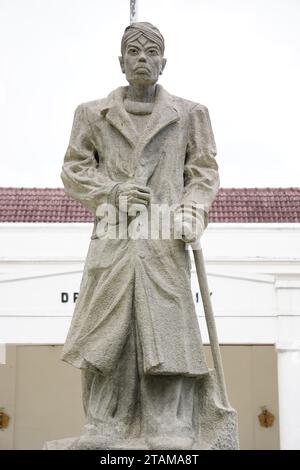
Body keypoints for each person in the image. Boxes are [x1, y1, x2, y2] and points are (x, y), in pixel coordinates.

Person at [61, 22, 220, 450]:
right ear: (121, 61)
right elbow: (74, 170)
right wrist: (110, 190)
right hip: (113, 235)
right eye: (134, 51)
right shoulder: (91, 114)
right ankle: (103, 423)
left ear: (164, 63)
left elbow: (203, 171)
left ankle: (168, 424)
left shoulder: (191, 114)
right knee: (106, 330)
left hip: (164, 236)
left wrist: (191, 210)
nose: (143, 58)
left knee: (166, 328)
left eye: (152, 52)